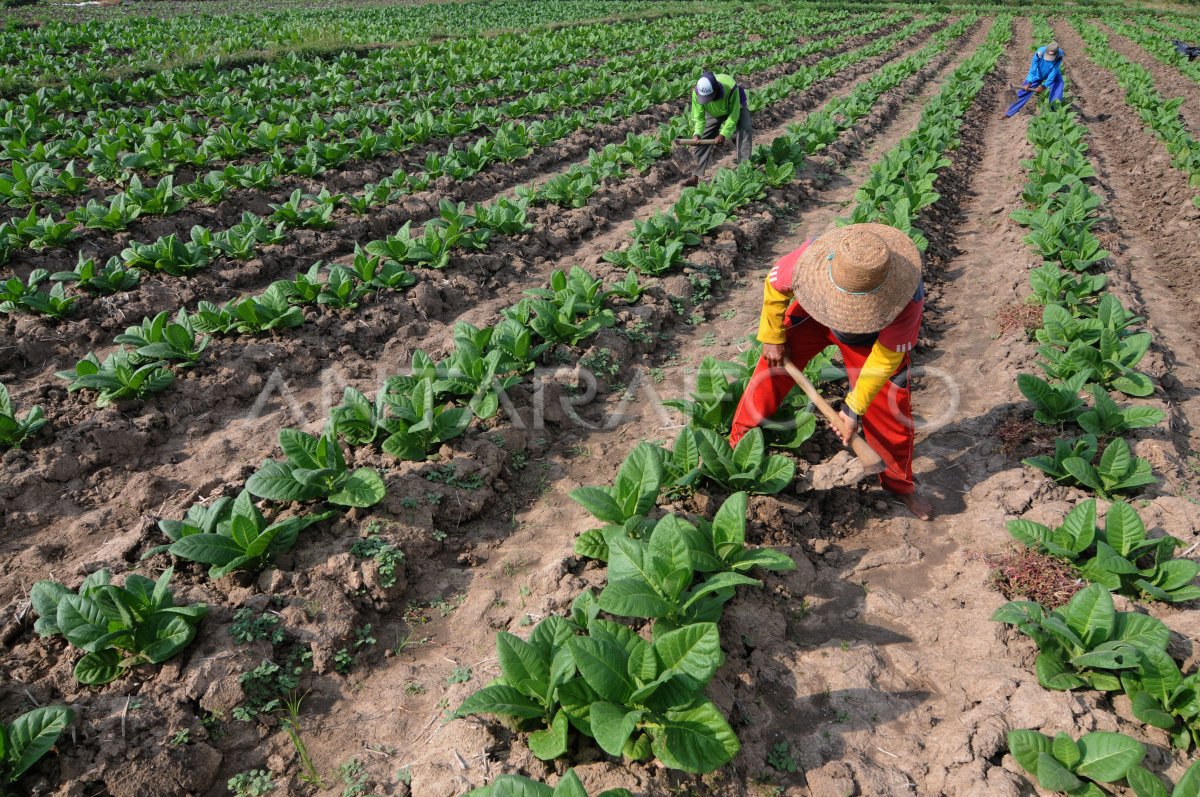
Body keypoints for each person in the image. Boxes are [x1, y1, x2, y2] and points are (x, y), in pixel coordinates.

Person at [728, 224, 933, 520]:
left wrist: (853, 409)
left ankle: (900, 486)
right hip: (813, 313)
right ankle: (739, 443)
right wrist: (771, 335)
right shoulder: (809, 259)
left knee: (890, 409)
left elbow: (886, 358)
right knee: (769, 373)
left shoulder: (906, 298)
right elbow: (775, 284)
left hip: (871, 339)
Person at [683, 70, 752, 187]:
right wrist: (697, 134)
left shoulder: (730, 88)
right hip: (713, 111)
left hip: (735, 106)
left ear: (716, 91)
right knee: (704, 137)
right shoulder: (697, 92)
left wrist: (723, 134)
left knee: (745, 130)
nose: (707, 100)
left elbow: (734, 116)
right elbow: (699, 118)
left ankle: (744, 171)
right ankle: (694, 176)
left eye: (709, 97)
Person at [1005, 40, 1064, 118]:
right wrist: (1029, 82)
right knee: (1023, 92)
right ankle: (1008, 112)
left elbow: (1053, 73)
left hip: (1053, 75)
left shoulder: (1059, 55)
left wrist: (1044, 86)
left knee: (1057, 91)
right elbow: (1033, 69)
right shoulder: (1039, 53)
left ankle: (1055, 114)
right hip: (1038, 74)